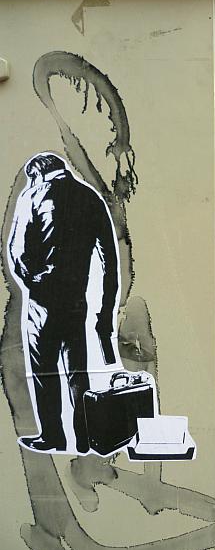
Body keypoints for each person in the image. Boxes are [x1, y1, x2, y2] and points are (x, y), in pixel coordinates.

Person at [8, 153, 119, 453]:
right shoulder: (90, 198)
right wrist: (105, 313)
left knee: (44, 370)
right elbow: (110, 263)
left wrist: (35, 282)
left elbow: (16, 252)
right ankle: (84, 438)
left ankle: (53, 436)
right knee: (77, 371)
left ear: (38, 174)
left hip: (42, 304)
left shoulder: (32, 195)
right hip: (76, 302)